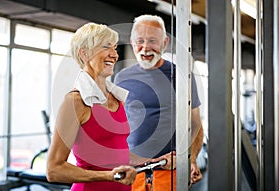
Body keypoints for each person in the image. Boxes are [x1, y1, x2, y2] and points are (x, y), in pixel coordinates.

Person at [114, 15, 204, 190]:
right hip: (133, 171)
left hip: (170, 170)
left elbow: (195, 124)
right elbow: (118, 125)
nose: (145, 48)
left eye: (152, 41)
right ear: (132, 42)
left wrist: (191, 159)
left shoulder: (181, 76)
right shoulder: (122, 78)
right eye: (140, 40)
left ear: (164, 43)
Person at [46, 22, 137, 191]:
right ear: (84, 54)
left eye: (115, 48)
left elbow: (116, 153)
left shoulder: (117, 99)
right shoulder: (75, 102)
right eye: (106, 47)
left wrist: (152, 160)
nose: (114, 54)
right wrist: (109, 176)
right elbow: (54, 169)